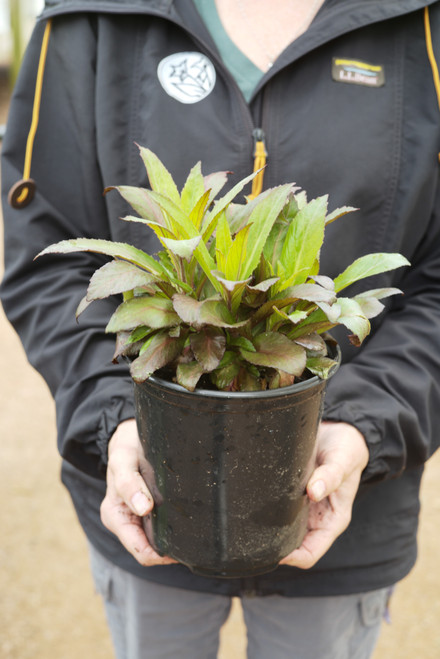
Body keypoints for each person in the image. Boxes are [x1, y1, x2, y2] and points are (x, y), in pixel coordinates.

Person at [1, 0, 440, 657]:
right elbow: (42, 248)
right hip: (149, 490)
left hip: (350, 513)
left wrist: (366, 424)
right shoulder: (89, 12)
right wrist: (115, 416)